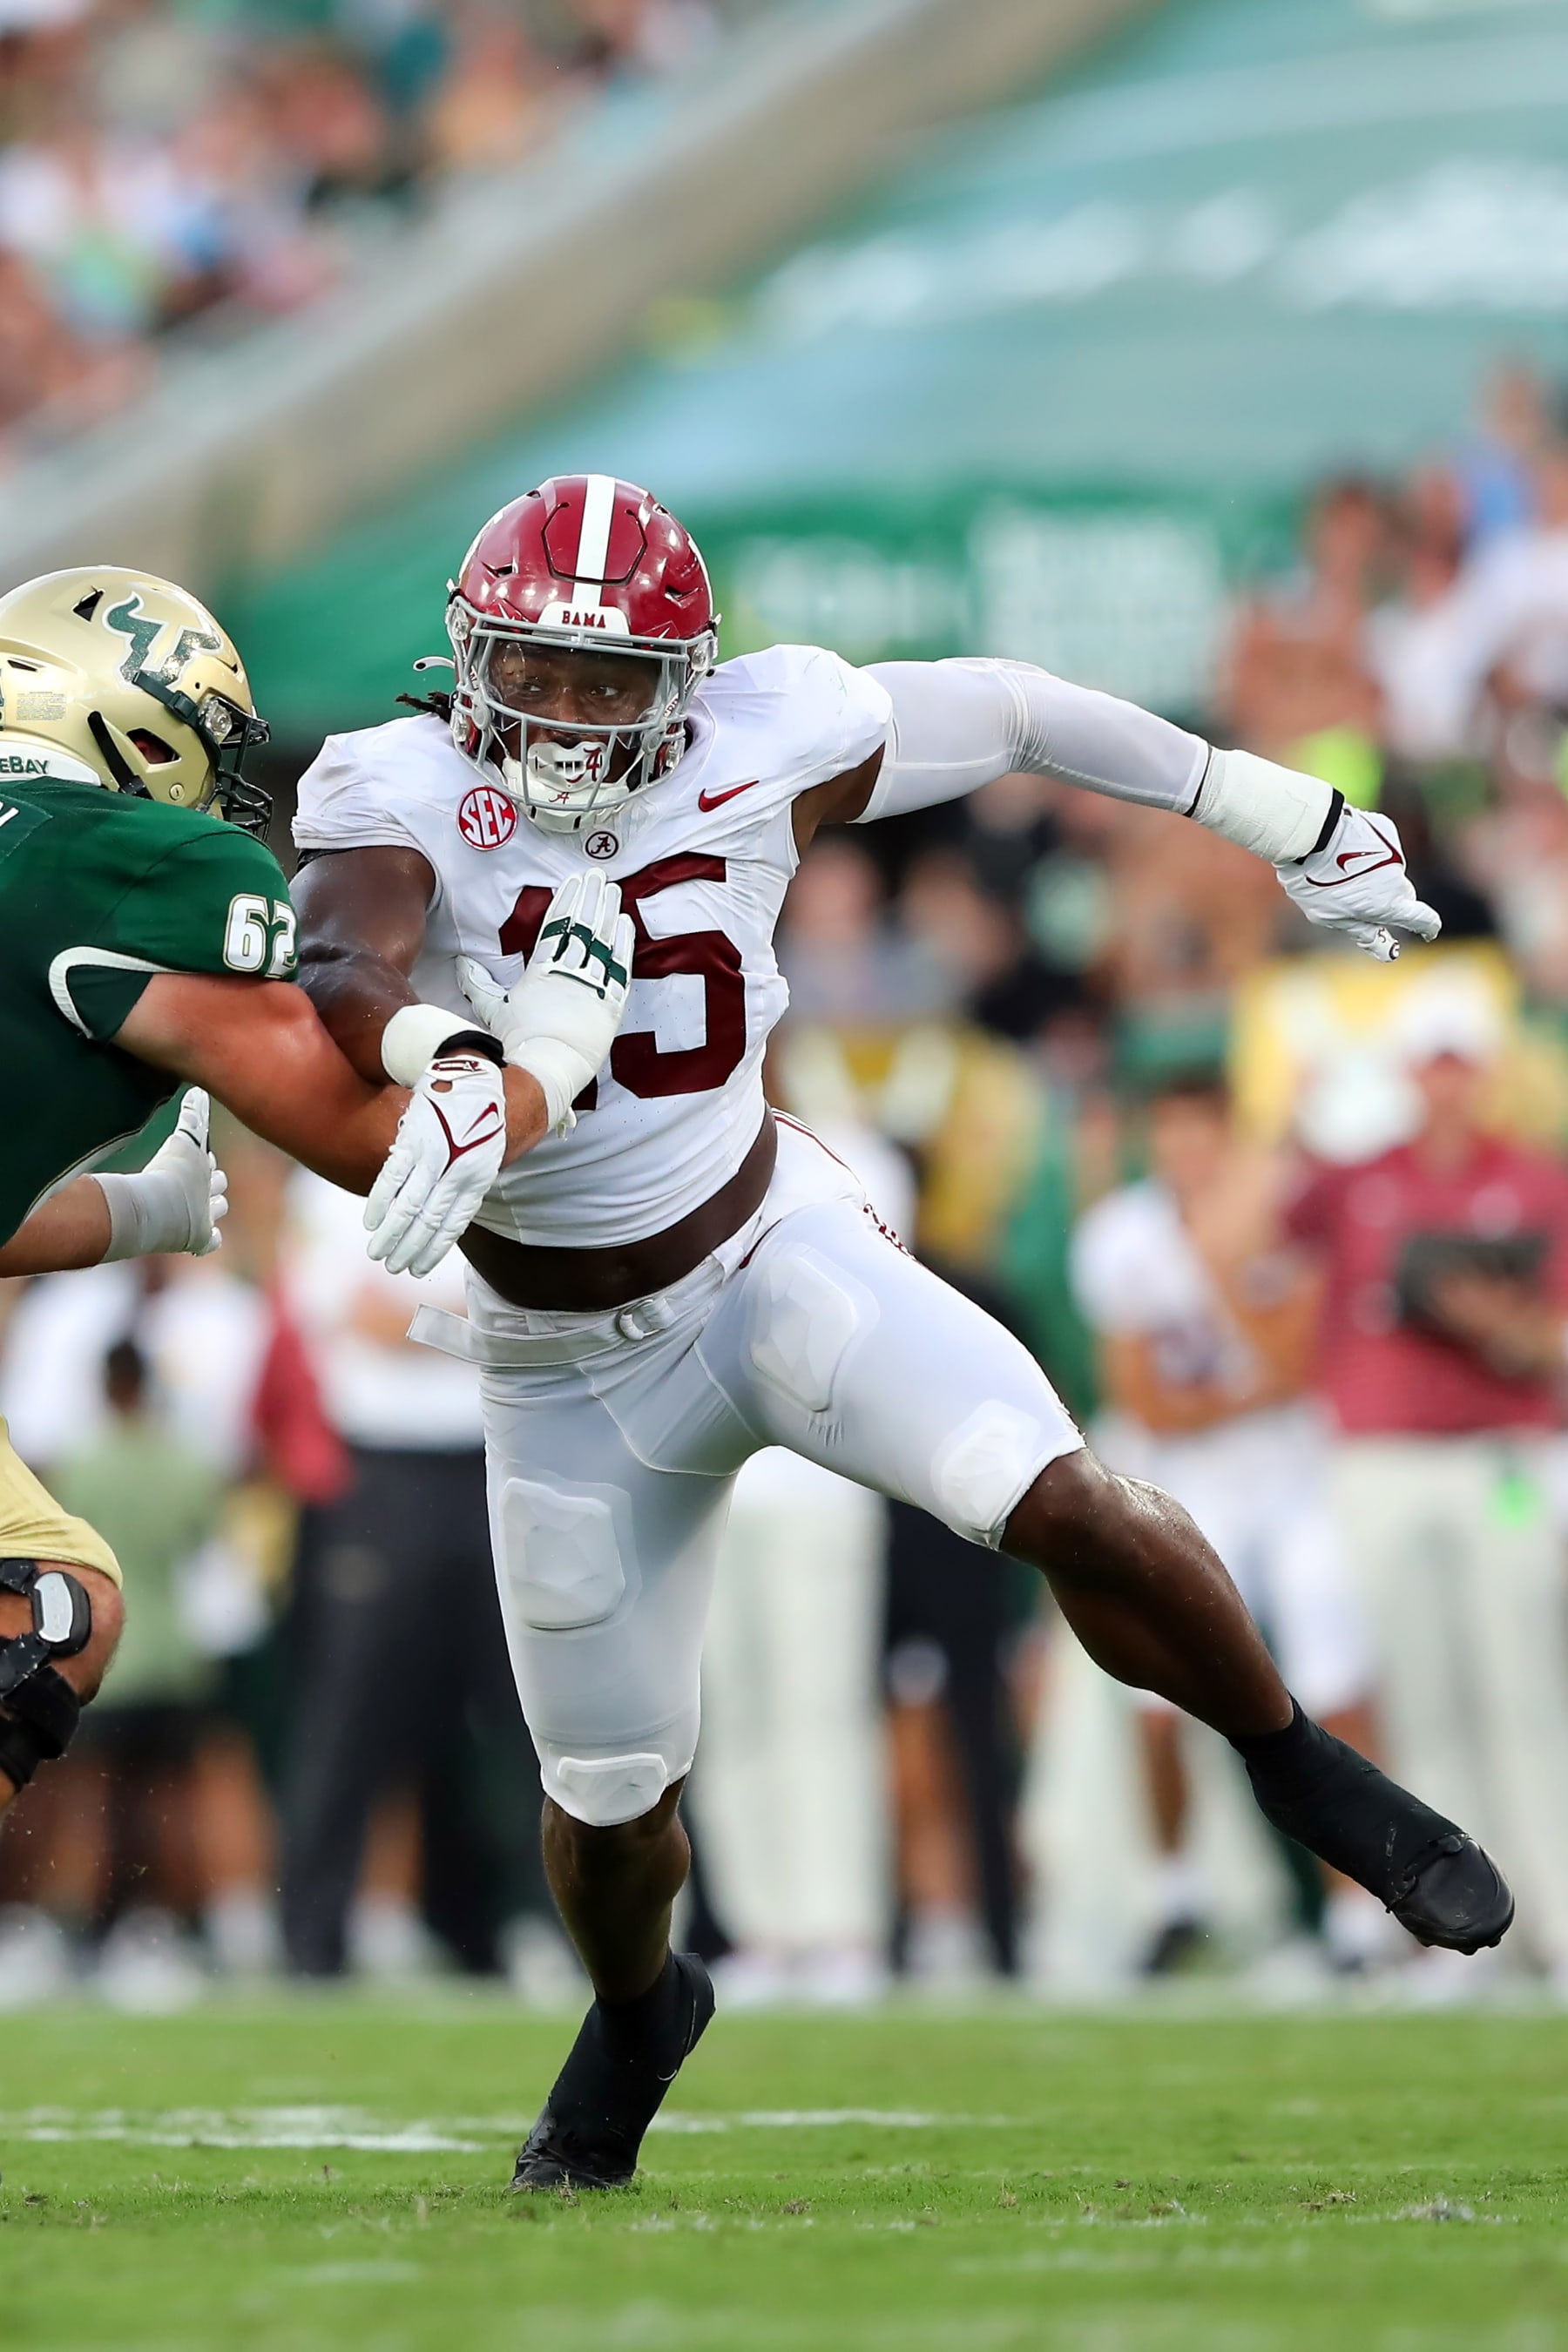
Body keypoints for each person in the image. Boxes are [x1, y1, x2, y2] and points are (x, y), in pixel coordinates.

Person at [290, 472, 1510, 2194]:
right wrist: (441, 1062)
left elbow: (1012, 708)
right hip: (566, 1366)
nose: (560, 720)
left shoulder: (768, 733)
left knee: (1059, 1495)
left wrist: (1274, 806)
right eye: (532, 676)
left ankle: (1299, 1767)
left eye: (603, 681)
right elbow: (346, 958)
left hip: (770, 1254)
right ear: (471, 662)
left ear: (688, 680)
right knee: (613, 1807)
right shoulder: (397, 778)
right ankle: (641, 2011)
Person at [0, 561, 632, 1827]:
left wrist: (137, 1215)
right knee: (52, 1609)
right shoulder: (109, 858)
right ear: (131, 723)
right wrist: (553, 1056)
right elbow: (378, 1149)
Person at [1286, 982, 1568, 1981]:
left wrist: (1486, 1320)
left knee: (1525, 1687)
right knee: (1424, 1695)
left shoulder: (1536, 1183)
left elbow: (1553, 1342)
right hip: (1383, 1459)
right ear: (1410, 1074)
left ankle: (1558, 1924)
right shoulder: (1358, 1179)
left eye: (1461, 1063)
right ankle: (1464, 1934)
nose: (1446, 1085)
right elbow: (1257, 1238)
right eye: (1432, 1063)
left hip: (1503, 1459)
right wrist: (1297, 1099)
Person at [1071, 1072, 1383, 1974]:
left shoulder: (1280, 1216)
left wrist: (1216, 1253)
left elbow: (1293, 1363)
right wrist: (1229, 1390)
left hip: (1292, 1480)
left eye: (1199, 1134)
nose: (1184, 1153)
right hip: (1183, 1487)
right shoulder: (1122, 1233)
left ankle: (1359, 1916)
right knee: (1159, 1699)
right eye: (1167, 1133)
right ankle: (1176, 1898)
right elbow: (1143, 1401)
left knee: (1333, 1682)